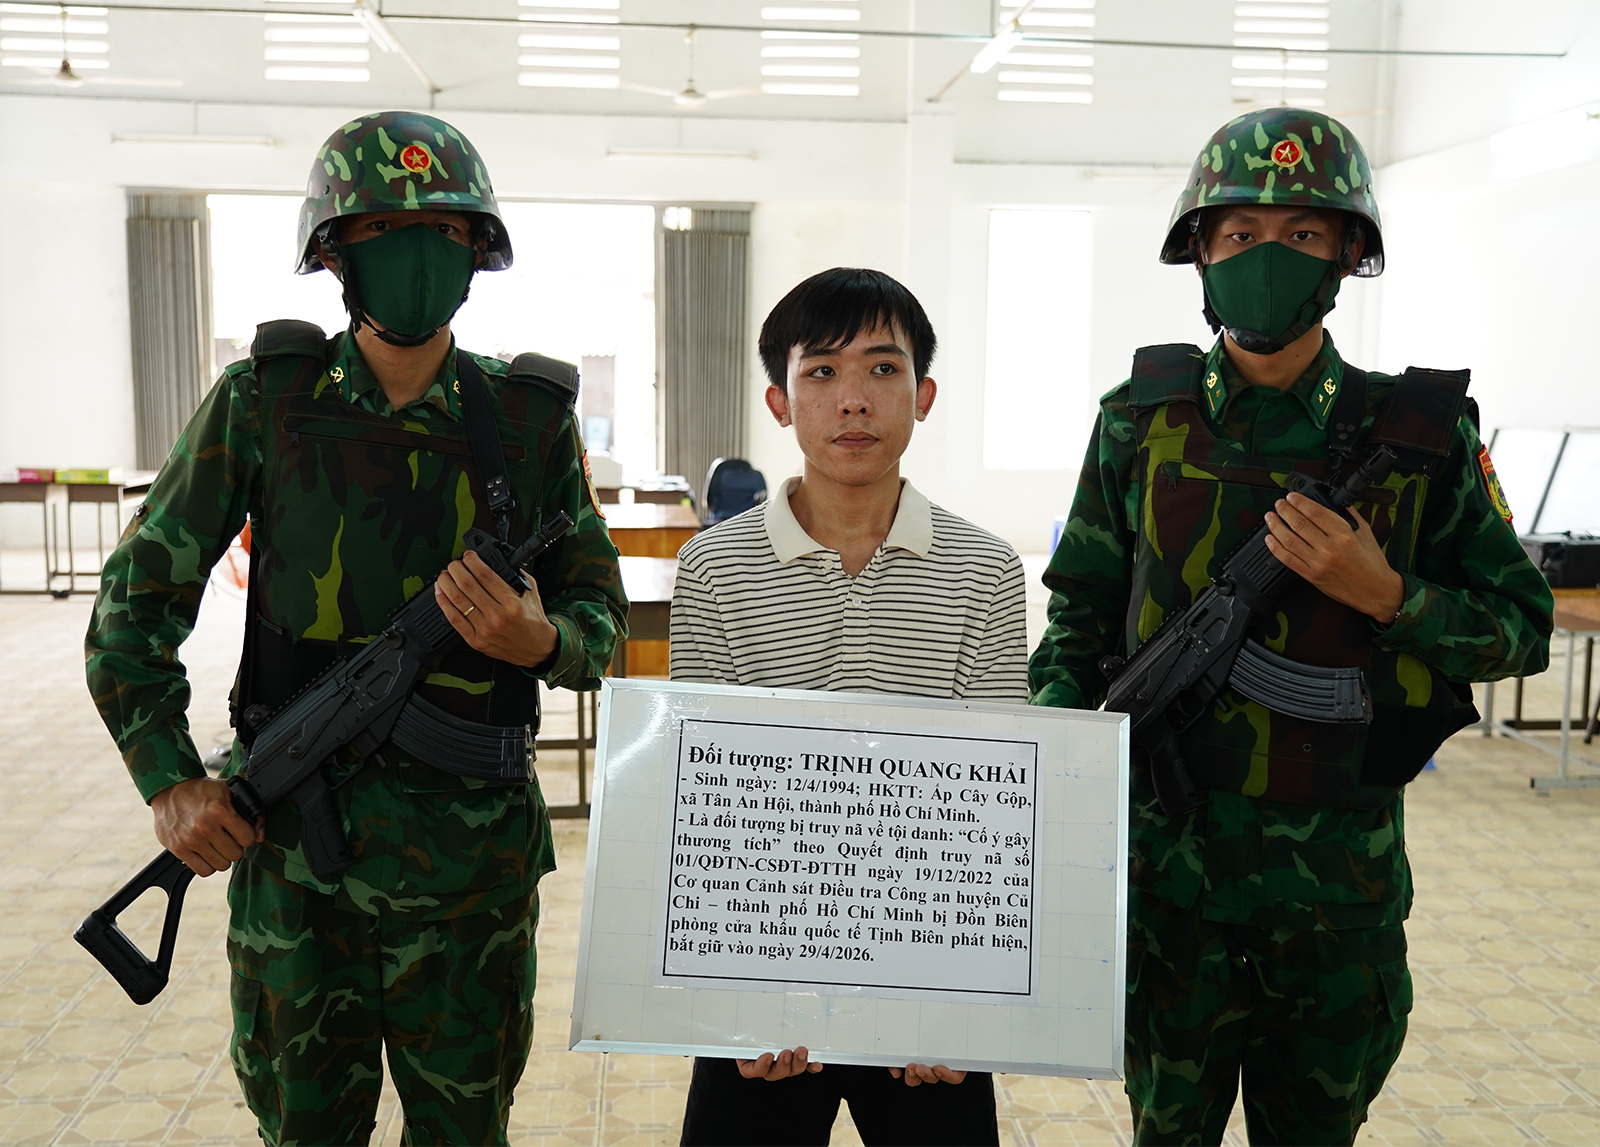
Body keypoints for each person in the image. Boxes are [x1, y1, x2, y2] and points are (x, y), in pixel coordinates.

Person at [85, 110, 626, 1146]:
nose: (417, 254)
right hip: (295, 865)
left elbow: (599, 613)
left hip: (471, 883)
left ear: (476, 254)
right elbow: (133, 607)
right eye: (382, 229)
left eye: (445, 231)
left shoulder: (528, 421)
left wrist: (543, 641)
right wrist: (170, 780)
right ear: (333, 252)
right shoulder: (263, 401)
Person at [1029, 107, 1553, 1146]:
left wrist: (1388, 594)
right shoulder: (1139, 419)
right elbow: (1078, 619)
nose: (1267, 257)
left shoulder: (1421, 435)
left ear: (1349, 254)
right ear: (1200, 252)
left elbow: (1520, 629)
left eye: (1302, 233)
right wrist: (1049, 775)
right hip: (1169, 886)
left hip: (1335, 897)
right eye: (1240, 234)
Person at [669, 267, 1026, 1146]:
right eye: (822, 371)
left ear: (924, 395)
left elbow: (996, 807)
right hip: (764, 984)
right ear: (780, 402)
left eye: (882, 369)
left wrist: (958, 1004)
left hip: (928, 987)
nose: (854, 399)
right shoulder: (713, 569)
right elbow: (704, 799)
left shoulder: (986, 570)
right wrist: (736, 1002)